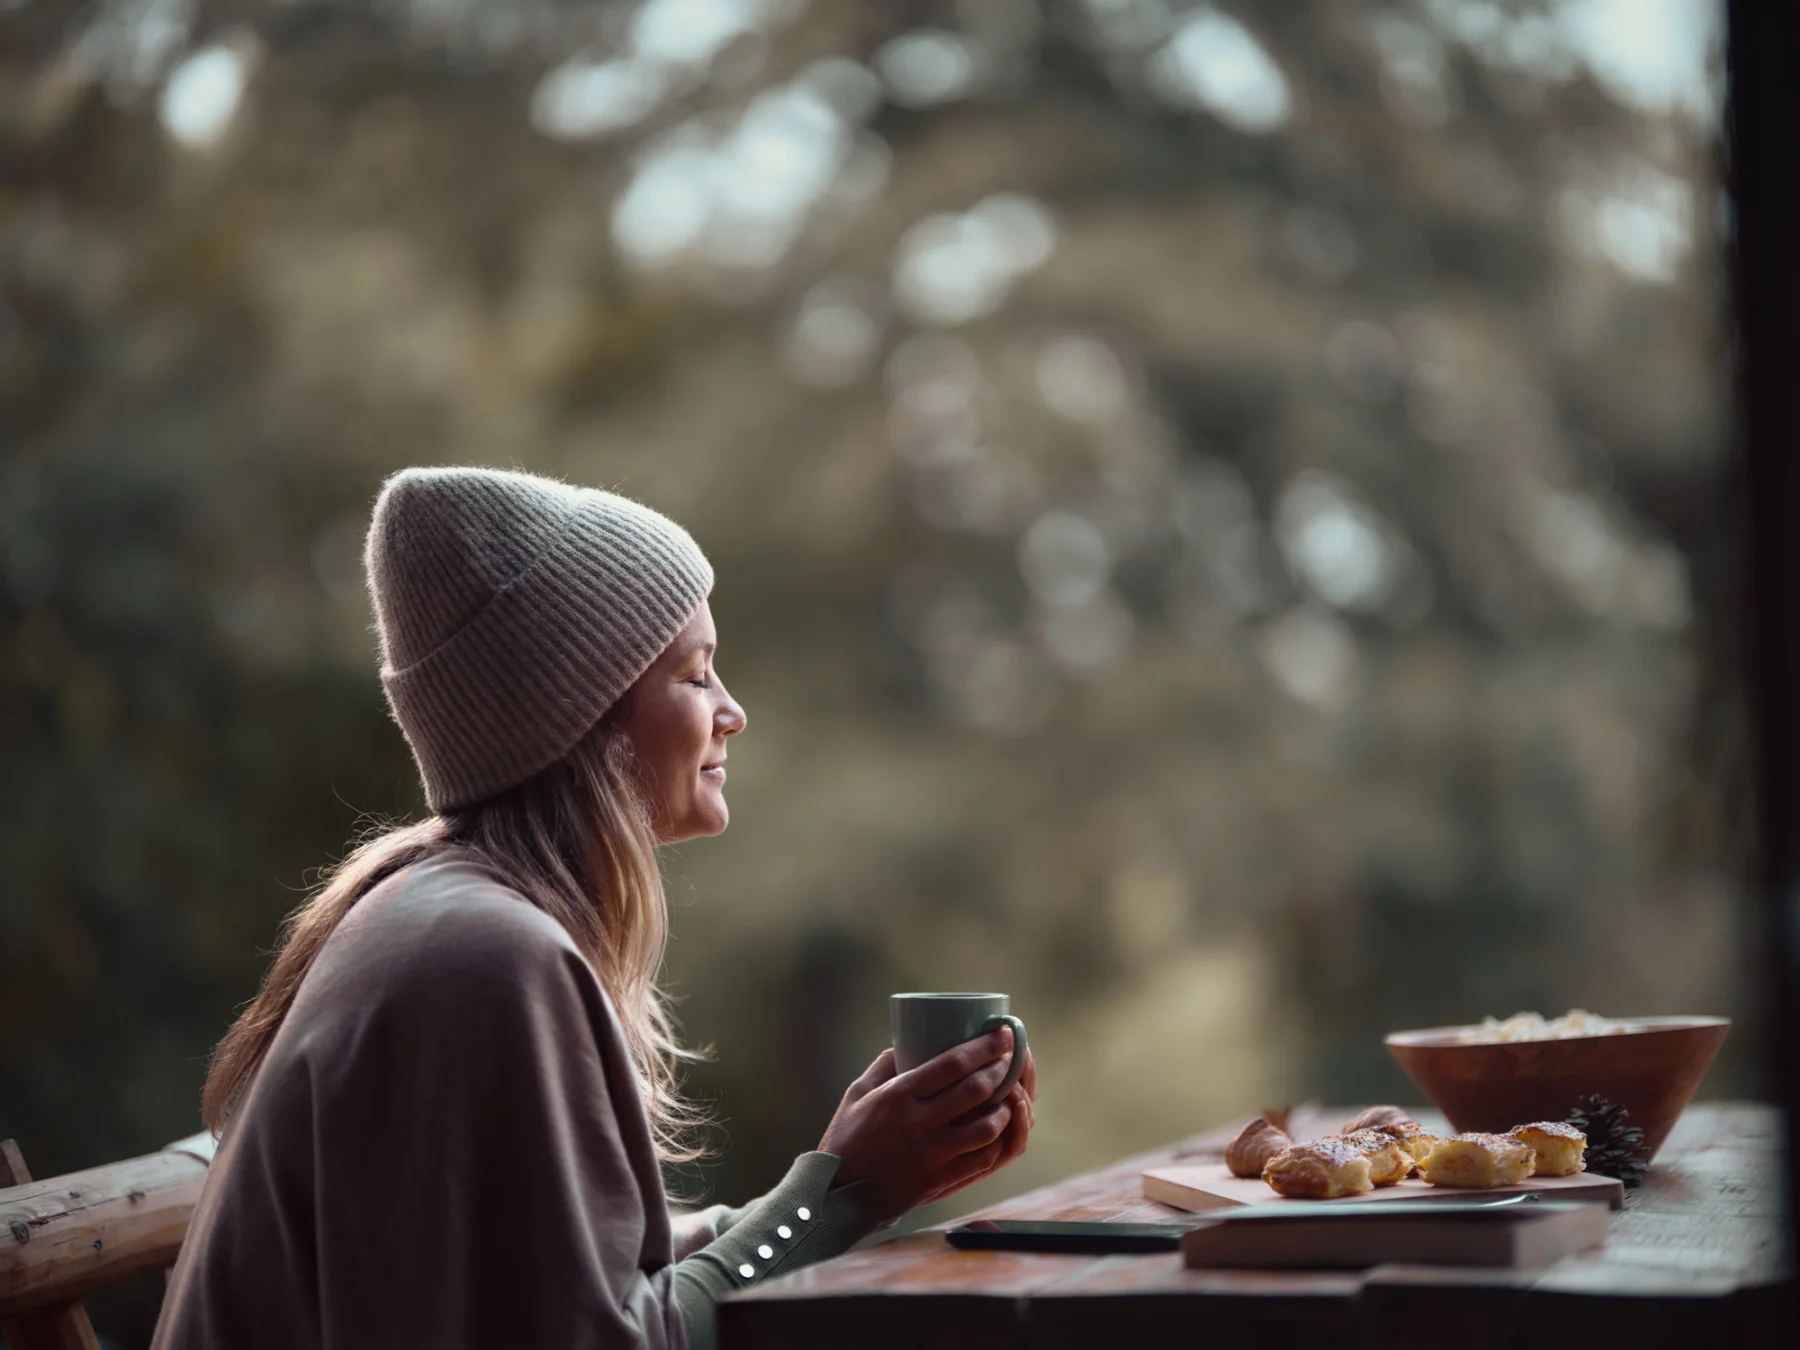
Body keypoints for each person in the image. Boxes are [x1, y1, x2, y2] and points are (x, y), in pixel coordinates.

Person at [152, 466, 1036, 1350]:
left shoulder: (440, 916)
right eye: (694, 676)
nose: (732, 711)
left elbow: (581, 1291)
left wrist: (849, 1177)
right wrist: (845, 1193)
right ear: (585, 719)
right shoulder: (483, 959)